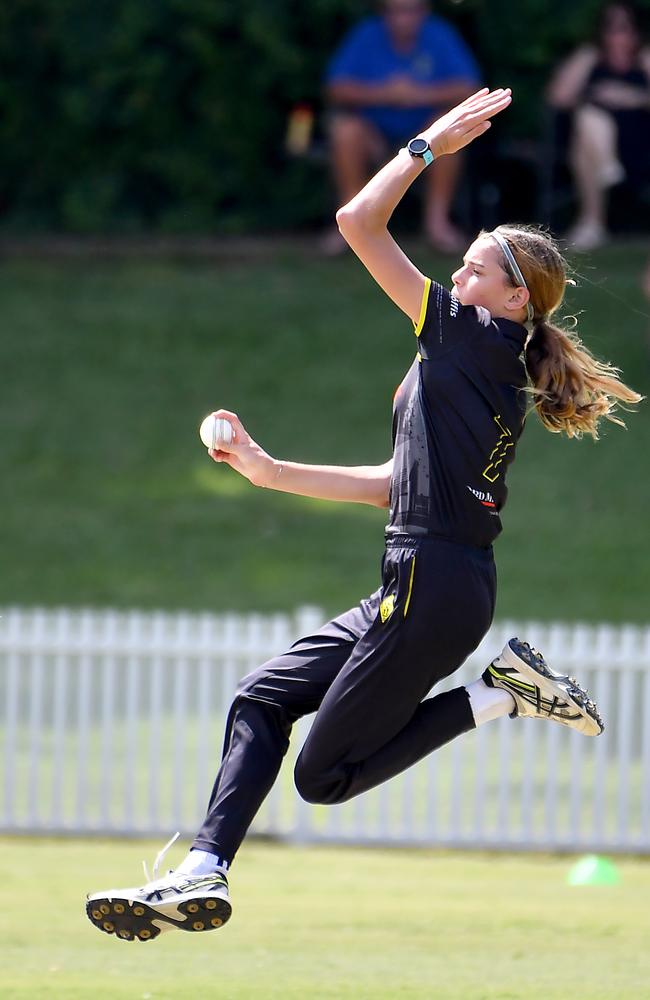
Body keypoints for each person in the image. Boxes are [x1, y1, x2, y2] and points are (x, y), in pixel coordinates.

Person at [86, 88, 642, 943]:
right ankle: (205, 868)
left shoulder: (468, 336)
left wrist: (429, 144)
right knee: (261, 698)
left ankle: (497, 696)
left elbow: (357, 220)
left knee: (322, 779)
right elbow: (398, 483)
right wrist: (269, 473)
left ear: (514, 300)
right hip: (426, 579)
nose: (457, 273)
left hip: (435, 583)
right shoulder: (469, 354)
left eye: (475, 269)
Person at [323, 0, 480, 255]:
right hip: (373, 133)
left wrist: (419, 95)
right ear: (383, 12)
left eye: (411, 10)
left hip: (426, 135)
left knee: (452, 132)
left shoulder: (440, 35)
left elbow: (468, 87)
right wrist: (386, 93)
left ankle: (437, 223)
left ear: (424, 11)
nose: (403, 18)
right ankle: (349, 219)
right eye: (395, 11)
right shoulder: (366, 35)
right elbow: (337, 87)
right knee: (345, 131)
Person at [547, 2, 650, 250]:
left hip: (639, 142)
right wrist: (587, 56)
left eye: (623, 27)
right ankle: (607, 170)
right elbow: (558, 97)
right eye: (609, 27)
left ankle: (592, 223)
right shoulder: (591, 58)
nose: (616, 35)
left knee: (583, 144)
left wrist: (628, 96)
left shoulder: (644, 58)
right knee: (588, 119)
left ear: (636, 30)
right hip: (595, 143)